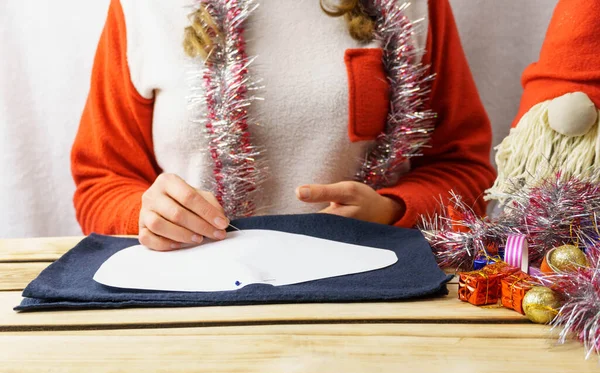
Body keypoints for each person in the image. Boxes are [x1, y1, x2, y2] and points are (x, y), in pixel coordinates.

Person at [71, 0, 496, 251]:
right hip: (189, 304)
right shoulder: (146, 8)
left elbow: (467, 173)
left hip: (370, 295)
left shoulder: (412, 7)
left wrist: (392, 211)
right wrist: (145, 215)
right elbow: (101, 182)